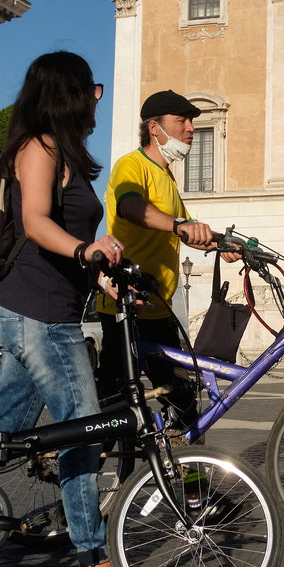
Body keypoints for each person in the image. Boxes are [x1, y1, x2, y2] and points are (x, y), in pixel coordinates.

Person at [0, 51, 127, 567]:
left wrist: (98, 274)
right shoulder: (40, 146)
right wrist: (86, 251)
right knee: (83, 430)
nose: (97, 99)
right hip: (41, 318)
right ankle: (91, 560)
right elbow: (35, 222)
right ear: (69, 93)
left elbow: (62, 237)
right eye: (93, 89)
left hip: (39, 311)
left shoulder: (65, 153)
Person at [100, 90, 239, 416]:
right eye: (182, 120)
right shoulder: (132, 165)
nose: (191, 128)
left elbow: (188, 229)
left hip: (158, 310)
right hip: (126, 306)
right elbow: (131, 206)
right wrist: (178, 225)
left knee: (184, 404)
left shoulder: (167, 177)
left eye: (191, 121)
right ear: (155, 128)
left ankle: (179, 450)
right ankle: (91, 448)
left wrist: (224, 244)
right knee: (113, 409)